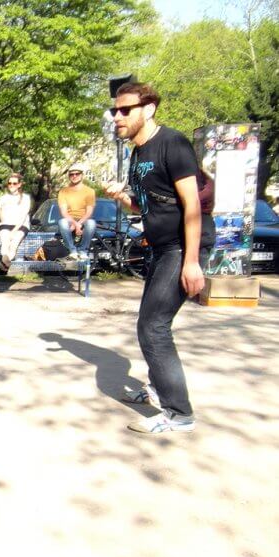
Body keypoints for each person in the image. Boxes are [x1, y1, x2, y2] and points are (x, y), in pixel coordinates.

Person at [103, 82, 211, 435]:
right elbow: (147, 205)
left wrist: (192, 261)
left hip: (183, 246)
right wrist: (122, 198)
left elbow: (191, 205)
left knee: (153, 326)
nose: (117, 116)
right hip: (161, 248)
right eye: (114, 111)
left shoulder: (172, 143)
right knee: (153, 323)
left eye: (125, 110)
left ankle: (179, 414)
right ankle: (156, 387)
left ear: (148, 110)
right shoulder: (137, 153)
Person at [57, 163, 97, 261]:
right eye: (71, 174)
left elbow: (89, 212)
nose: (74, 176)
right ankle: (72, 250)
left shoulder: (89, 191)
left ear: (82, 175)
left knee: (91, 223)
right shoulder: (63, 191)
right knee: (62, 222)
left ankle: (83, 250)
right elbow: (64, 212)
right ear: (69, 176)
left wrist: (78, 224)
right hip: (70, 219)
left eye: (77, 174)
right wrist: (75, 224)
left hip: (84, 219)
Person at [0, 173, 32, 269]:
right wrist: (3, 224)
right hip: (6, 224)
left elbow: (23, 216)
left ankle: (5, 262)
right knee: (5, 241)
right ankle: (5, 262)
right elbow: (1, 214)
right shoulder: (2, 198)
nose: (11, 185)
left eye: (14, 183)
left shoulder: (25, 198)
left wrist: (14, 230)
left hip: (21, 225)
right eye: (9, 183)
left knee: (14, 243)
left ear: (19, 184)